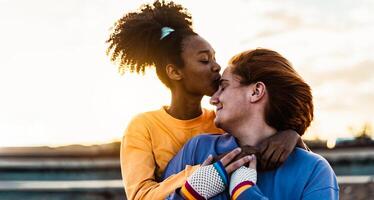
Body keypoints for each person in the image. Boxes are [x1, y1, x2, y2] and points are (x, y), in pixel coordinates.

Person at [106, 1, 304, 199]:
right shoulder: (143, 126)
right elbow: (140, 195)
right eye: (204, 60)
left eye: (214, 58)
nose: (217, 66)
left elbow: (263, 148)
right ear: (174, 72)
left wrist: (291, 135)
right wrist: (206, 172)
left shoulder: (223, 121)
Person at [162, 48, 339, 199]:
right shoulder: (197, 149)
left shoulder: (313, 171)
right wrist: (188, 195)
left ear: (256, 91)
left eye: (223, 87)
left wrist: (245, 193)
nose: (213, 99)